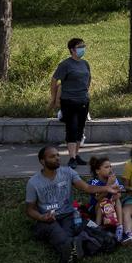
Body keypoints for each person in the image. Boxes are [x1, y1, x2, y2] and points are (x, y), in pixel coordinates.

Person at [25, 146, 118, 263]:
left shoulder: (68, 172)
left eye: (58, 155)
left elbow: (87, 188)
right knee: (59, 235)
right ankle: (72, 249)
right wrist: (42, 218)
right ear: (43, 161)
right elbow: (29, 209)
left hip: (69, 216)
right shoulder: (33, 182)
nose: (57, 158)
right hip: (48, 220)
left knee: (106, 237)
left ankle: (78, 244)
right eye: (52, 156)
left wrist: (106, 188)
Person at [50, 38, 92, 169]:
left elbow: (88, 78)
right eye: (80, 47)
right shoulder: (65, 65)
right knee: (72, 128)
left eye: (83, 46)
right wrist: (54, 98)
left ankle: (76, 155)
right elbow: (54, 80)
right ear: (72, 50)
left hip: (83, 100)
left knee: (80, 128)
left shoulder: (85, 64)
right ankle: (72, 157)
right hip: (69, 101)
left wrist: (85, 92)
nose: (82, 49)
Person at [87, 156, 132, 244]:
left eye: (110, 166)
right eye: (106, 167)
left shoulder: (114, 179)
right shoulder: (94, 182)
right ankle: (98, 226)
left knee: (117, 200)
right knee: (103, 200)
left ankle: (119, 227)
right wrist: (108, 184)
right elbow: (98, 198)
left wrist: (117, 194)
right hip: (96, 209)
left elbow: (120, 192)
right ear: (98, 171)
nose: (110, 169)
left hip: (111, 209)